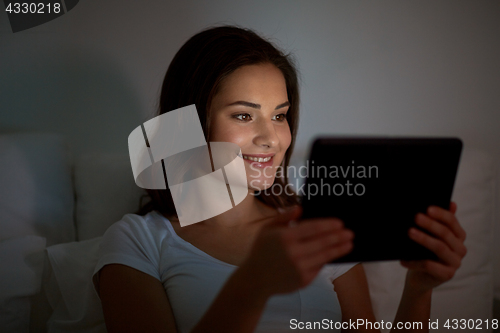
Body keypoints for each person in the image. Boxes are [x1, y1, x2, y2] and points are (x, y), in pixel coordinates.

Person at [92, 25, 467, 333]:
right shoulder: (139, 242)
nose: (271, 138)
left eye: (279, 115)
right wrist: (253, 284)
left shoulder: (320, 228)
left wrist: (418, 290)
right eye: (243, 115)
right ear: (188, 124)